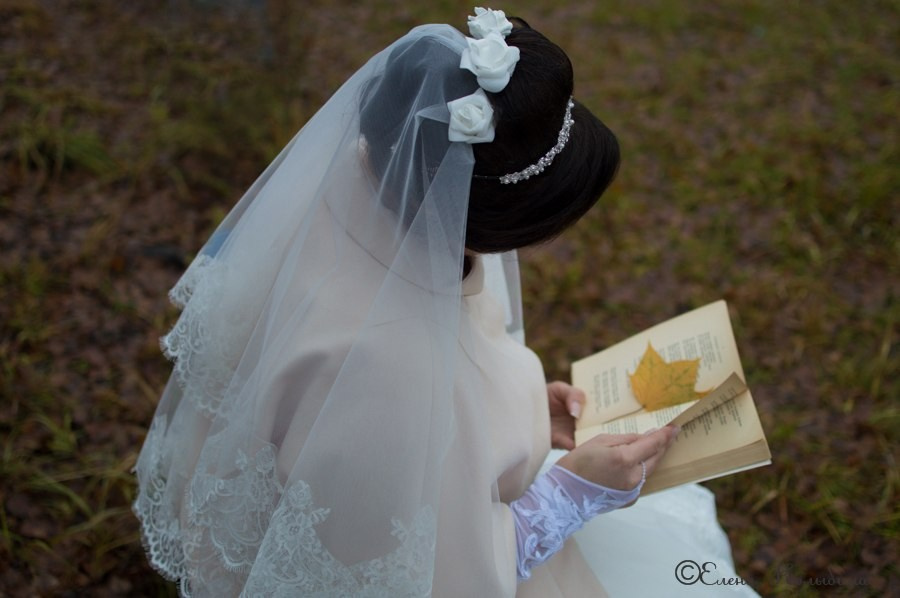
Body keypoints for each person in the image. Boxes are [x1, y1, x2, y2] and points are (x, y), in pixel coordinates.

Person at [133, 9, 758, 597]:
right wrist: (569, 495)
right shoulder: (385, 364)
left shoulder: (364, 177)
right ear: (480, 215)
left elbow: (406, 399)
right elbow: (419, 573)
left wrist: (522, 411)